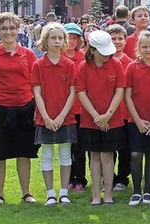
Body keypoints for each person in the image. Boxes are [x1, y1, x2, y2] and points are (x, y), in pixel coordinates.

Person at [0, 12, 39, 206]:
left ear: (18, 28)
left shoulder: (27, 54)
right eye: (4, 28)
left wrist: (37, 108)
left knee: (24, 153)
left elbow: (34, 84)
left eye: (12, 28)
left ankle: (26, 193)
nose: (8, 32)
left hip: (24, 109)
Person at [76, 30, 126, 205]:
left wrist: (108, 115)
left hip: (112, 119)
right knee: (95, 156)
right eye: (103, 52)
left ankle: (109, 193)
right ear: (92, 50)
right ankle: (96, 194)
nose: (107, 56)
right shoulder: (83, 67)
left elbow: (120, 90)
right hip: (90, 120)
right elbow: (81, 92)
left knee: (108, 156)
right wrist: (97, 116)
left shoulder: (116, 65)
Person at [31, 23, 77, 206]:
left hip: (66, 118)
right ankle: (50, 193)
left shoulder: (70, 65)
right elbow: (37, 93)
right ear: (45, 41)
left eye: (60, 38)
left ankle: (64, 192)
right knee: (47, 155)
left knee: (66, 154)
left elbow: (73, 92)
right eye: (53, 38)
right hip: (45, 119)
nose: (57, 41)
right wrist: (47, 118)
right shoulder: (38, 65)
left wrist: (61, 116)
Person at [124, 31, 150, 206]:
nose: (148, 50)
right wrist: (138, 120)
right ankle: (136, 191)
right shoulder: (132, 67)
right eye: (144, 46)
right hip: (136, 120)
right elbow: (128, 96)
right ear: (138, 48)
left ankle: (147, 191)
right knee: (135, 154)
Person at [105, 24, 133, 192]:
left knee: (125, 148)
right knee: (108, 148)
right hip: (108, 112)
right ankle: (109, 177)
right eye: (113, 39)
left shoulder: (130, 63)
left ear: (125, 40)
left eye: (120, 38)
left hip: (125, 113)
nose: (117, 42)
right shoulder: (103, 62)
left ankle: (123, 178)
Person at [62, 23, 88, 192]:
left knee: (79, 147)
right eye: (68, 38)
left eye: (74, 38)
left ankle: (80, 178)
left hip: (81, 109)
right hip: (64, 109)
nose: (71, 41)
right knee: (66, 147)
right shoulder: (59, 57)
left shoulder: (85, 57)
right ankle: (69, 178)